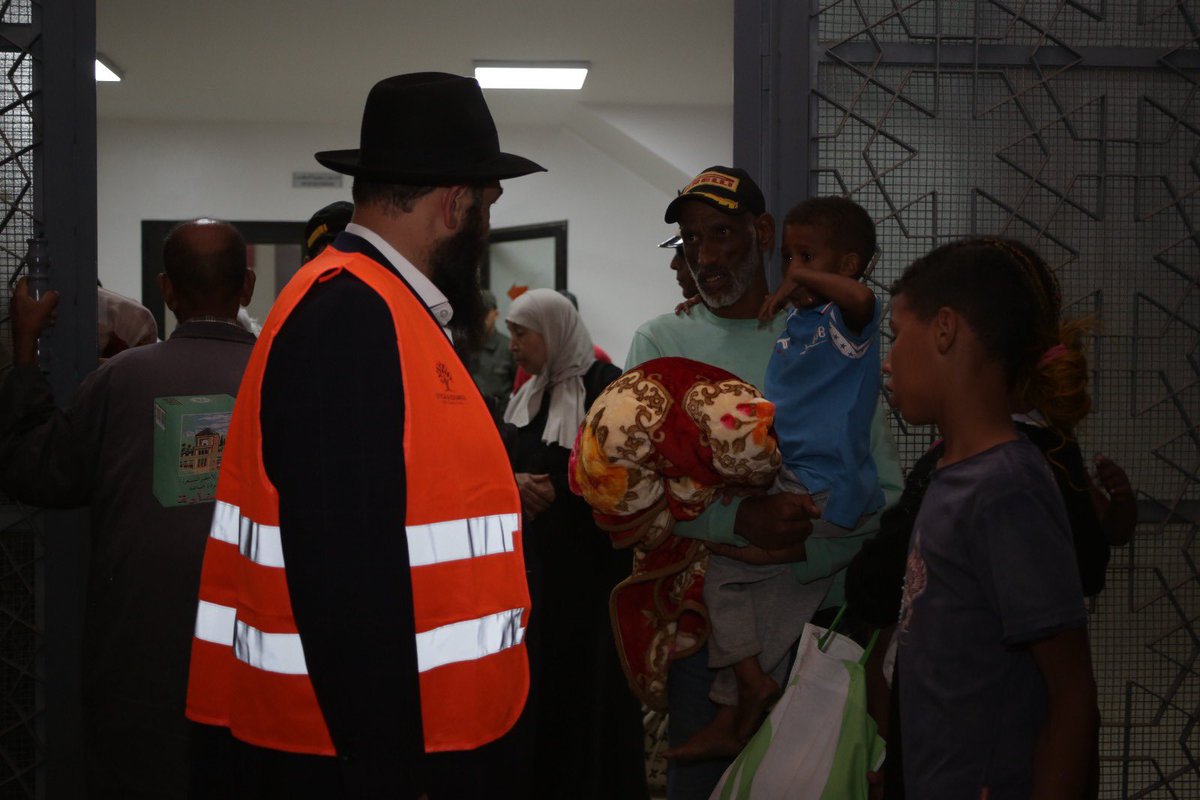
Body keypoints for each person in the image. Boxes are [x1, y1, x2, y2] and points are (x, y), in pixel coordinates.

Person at [184, 73, 545, 799]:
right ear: (456, 204)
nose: (485, 228)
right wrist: (390, 773)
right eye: (487, 206)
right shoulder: (350, 318)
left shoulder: (387, 310)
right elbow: (344, 577)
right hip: (351, 753)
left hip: (400, 737)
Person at [624, 166, 903, 799]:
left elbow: (883, 489)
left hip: (819, 631)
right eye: (692, 240)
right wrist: (736, 523)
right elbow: (627, 493)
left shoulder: (824, 335)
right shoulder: (661, 342)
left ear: (764, 232)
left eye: (722, 233)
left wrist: (801, 550)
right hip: (708, 640)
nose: (706, 256)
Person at [0, 219, 256, 799]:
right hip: (254, 663)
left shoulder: (119, 381)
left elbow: (36, 469)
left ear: (166, 290)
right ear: (246, 285)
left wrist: (25, 352)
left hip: (139, 666)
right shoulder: (287, 378)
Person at [667, 196, 885, 760]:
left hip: (823, 486)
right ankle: (743, 696)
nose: (793, 269)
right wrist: (706, 306)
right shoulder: (797, 322)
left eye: (807, 257)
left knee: (740, 575)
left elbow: (863, 300)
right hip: (790, 478)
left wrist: (801, 280)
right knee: (737, 586)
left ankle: (740, 698)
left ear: (848, 265)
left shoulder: (847, 325)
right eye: (789, 257)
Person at [886, 237, 1099, 799]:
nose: (887, 360)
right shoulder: (951, 473)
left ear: (944, 329)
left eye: (895, 334)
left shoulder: (1006, 488)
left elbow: (1072, 694)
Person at [501, 288, 648, 800]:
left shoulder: (607, 387)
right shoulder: (527, 395)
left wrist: (561, 490)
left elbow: (627, 475)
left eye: (522, 334)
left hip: (593, 576)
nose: (514, 345)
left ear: (554, 331)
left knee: (595, 694)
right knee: (550, 694)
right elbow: (506, 459)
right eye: (511, 334)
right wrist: (514, 483)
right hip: (540, 578)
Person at [468, 287, 517, 408]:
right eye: (476, 314)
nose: (479, 319)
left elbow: (519, 390)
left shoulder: (509, 347)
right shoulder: (462, 346)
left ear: (496, 314)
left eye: (484, 314)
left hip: (499, 414)